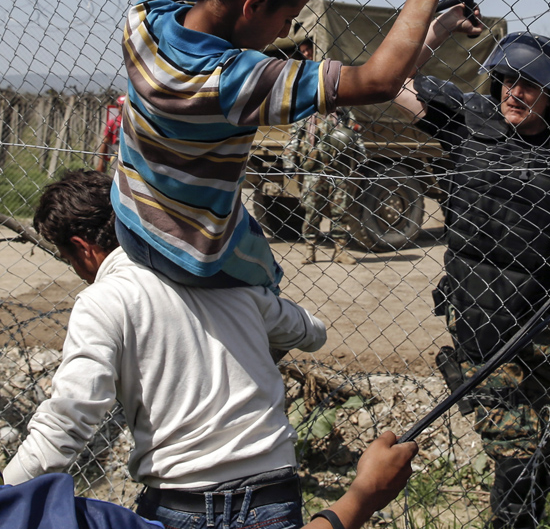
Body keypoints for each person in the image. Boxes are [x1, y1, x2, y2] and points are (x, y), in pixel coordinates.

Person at [112, 0, 479, 290]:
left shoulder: (149, 15)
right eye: (287, 19)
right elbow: (378, 80)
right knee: (285, 316)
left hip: (130, 218)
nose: (286, 31)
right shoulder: (233, 81)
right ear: (254, 6)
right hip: (192, 257)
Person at [4, 169, 332, 528]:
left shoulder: (103, 300)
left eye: (69, 258)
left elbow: (69, 418)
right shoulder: (221, 278)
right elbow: (312, 333)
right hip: (273, 492)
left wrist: (8, 491)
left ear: (82, 248)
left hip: (183, 501)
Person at [393, 27, 550, 529]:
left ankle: (531, 516)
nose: (514, 94)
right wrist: (441, 28)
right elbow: (394, 79)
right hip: (480, 315)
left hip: (544, 318)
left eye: (530, 86)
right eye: (507, 81)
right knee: (514, 449)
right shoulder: (467, 120)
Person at [0, 433, 416, 529]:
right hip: (268, 485)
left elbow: (65, 419)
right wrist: (360, 498)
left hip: (173, 496)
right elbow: (306, 330)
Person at [285, 39, 363, 266]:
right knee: (311, 211)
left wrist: (360, 156)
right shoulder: (306, 111)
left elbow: (355, 135)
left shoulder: (342, 112)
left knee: (340, 211)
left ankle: (340, 250)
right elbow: (295, 138)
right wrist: (289, 162)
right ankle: (310, 249)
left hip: (338, 169)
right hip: (313, 169)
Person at [94, 95, 125, 173]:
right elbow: (105, 142)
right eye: (122, 105)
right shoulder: (113, 123)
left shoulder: (133, 123)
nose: (124, 108)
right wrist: (101, 163)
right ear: (117, 106)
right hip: (116, 155)